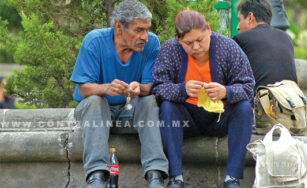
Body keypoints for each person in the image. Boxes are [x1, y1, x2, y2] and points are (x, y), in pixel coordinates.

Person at [69, 0, 168, 188]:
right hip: (98, 112)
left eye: (147, 30)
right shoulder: (94, 41)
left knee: (150, 101)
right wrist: (106, 88)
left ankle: (155, 176)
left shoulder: (152, 43)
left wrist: (140, 87)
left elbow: (150, 86)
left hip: (131, 110)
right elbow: (83, 89)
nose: (145, 36)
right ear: (118, 27)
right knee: (95, 101)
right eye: (139, 30)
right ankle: (97, 177)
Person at [152, 9, 255, 188]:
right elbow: (158, 87)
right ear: (178, 39)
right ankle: (176, 178)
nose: (196, 47)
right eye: (188, 43)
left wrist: (226, 92)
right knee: (168, 107)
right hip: (186, 119)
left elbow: (248, 87)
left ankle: (232, 178)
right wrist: (182, 89)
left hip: (219, 117)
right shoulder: (170, 49)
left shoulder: (227, 47)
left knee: (244, 108)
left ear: (208, 29)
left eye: (200, 40)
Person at [233, 0, 297, 90]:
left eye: (239, 20)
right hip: (290, 100)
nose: (238, 27)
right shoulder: (286, 38)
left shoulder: (241, 39)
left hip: (261, 101)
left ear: (250, 17)